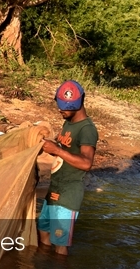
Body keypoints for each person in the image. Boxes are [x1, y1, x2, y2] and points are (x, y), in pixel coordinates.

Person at [37, 80, 98, 255]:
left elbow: (86, 163)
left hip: (68, 196)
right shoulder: (68, 122)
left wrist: (56, 150)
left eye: (65, 106)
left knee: (60, 244)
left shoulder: (87, 129)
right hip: (55, 190)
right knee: (43, 231)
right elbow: (65, 149)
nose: (60, 109)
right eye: (60, 104)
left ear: (79, 104)